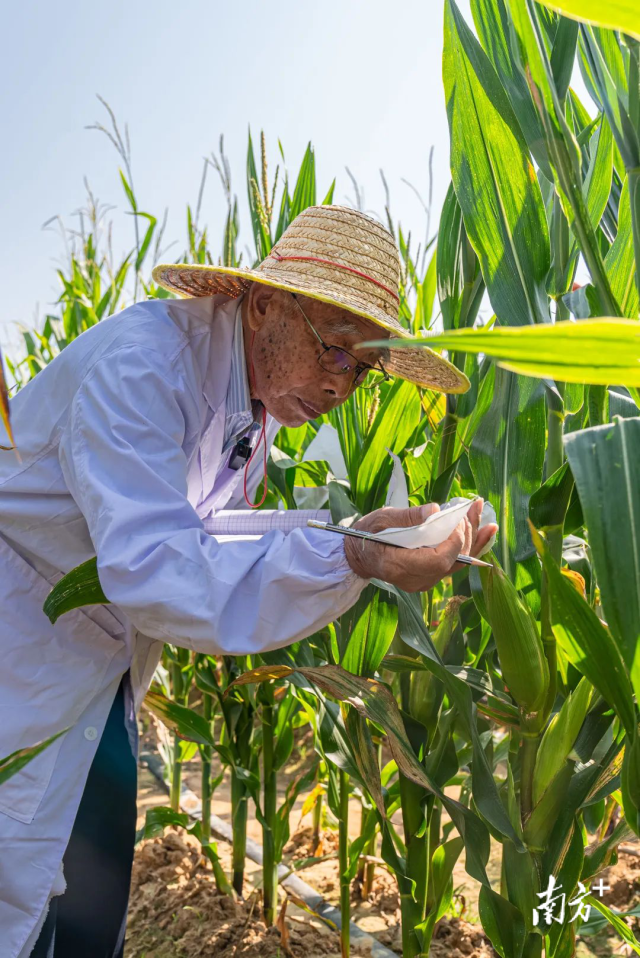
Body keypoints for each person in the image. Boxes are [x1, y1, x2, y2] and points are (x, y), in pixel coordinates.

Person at [0, 204, 496, 957]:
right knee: (21, 888)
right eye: (336, 352)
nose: (342, 387)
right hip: (24, 650)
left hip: (95, 672)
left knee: (86, 904)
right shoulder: (142, 368)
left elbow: (206, 536)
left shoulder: (255, 403)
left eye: (362, 371)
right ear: (264, 304)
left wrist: (351, 537)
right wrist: (352, 557)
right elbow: (156, 569)